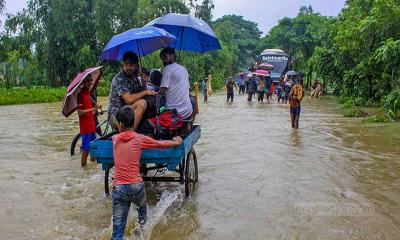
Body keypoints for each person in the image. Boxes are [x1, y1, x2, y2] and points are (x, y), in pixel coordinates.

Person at [111, 106, 182, 238]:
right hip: (136, 186)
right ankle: (141, 230)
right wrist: (175, 142)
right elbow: (159, 144)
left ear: (120, 125)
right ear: (133, 123)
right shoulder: (139, 138)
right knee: (142, 210)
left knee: (117, 231)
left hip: (119, 187)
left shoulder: (115, 139)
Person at [108, 51, 156, 131]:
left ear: (136, 66)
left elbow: (139, 94)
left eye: (132, 65)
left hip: (129, 111)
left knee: (148, 104)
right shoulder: (118, 79)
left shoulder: (135, 79)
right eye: (126, 64)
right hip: (116, 115)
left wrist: (145, 88)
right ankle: (130, 133)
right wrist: (145, 92)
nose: (128, 67)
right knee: (142, 103)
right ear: (122, 65)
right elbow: (129, 99)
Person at [159, 47, 193, 120]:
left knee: (159, 107)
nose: (163, 61)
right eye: (162, 59)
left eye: (165, 57)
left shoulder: (167, 69)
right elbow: (188, 90)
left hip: (173, 113)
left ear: (172, 56)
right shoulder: (184, 69)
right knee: (192, 100)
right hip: (188, 112)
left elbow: (162, 92)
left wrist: (156, 92)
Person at [77, 75, 102, 167]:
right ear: (83, 82)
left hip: (92, 125)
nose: (90, 82)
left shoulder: (88, 93)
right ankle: (83, 170)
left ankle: (91, 169)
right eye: (87, 80)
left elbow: (90, 109)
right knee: (85, 150)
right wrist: (93, 109)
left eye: (91, 80)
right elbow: (80, 113)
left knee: (94, 148)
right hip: (86, 127)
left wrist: (95, 109)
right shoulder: (80, 95)